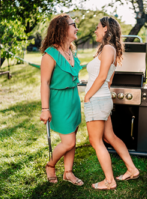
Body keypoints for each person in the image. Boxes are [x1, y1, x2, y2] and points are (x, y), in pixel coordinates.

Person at [84, 17, 139, 190]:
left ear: (106, 28)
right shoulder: (109, 49)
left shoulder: (108, 49)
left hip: (97, 100)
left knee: (96, 141)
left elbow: (102, 78)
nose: (95, 30)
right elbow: (108, 80)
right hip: (102, 99)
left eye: (97, 27)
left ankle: (109, 181)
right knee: (110, 137)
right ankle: (132, 169)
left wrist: (88, 96)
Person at [40, 14, 84, 186]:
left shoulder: (70, 51)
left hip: (73, 98)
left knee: (72, 137)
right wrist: (45, 109)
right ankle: (50, 165)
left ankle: (68, 172)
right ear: (63, 28)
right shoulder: (50, 54)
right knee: (69, 141)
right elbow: (44, 82)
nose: (77, 28)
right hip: (59, 101)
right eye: (74, 25)